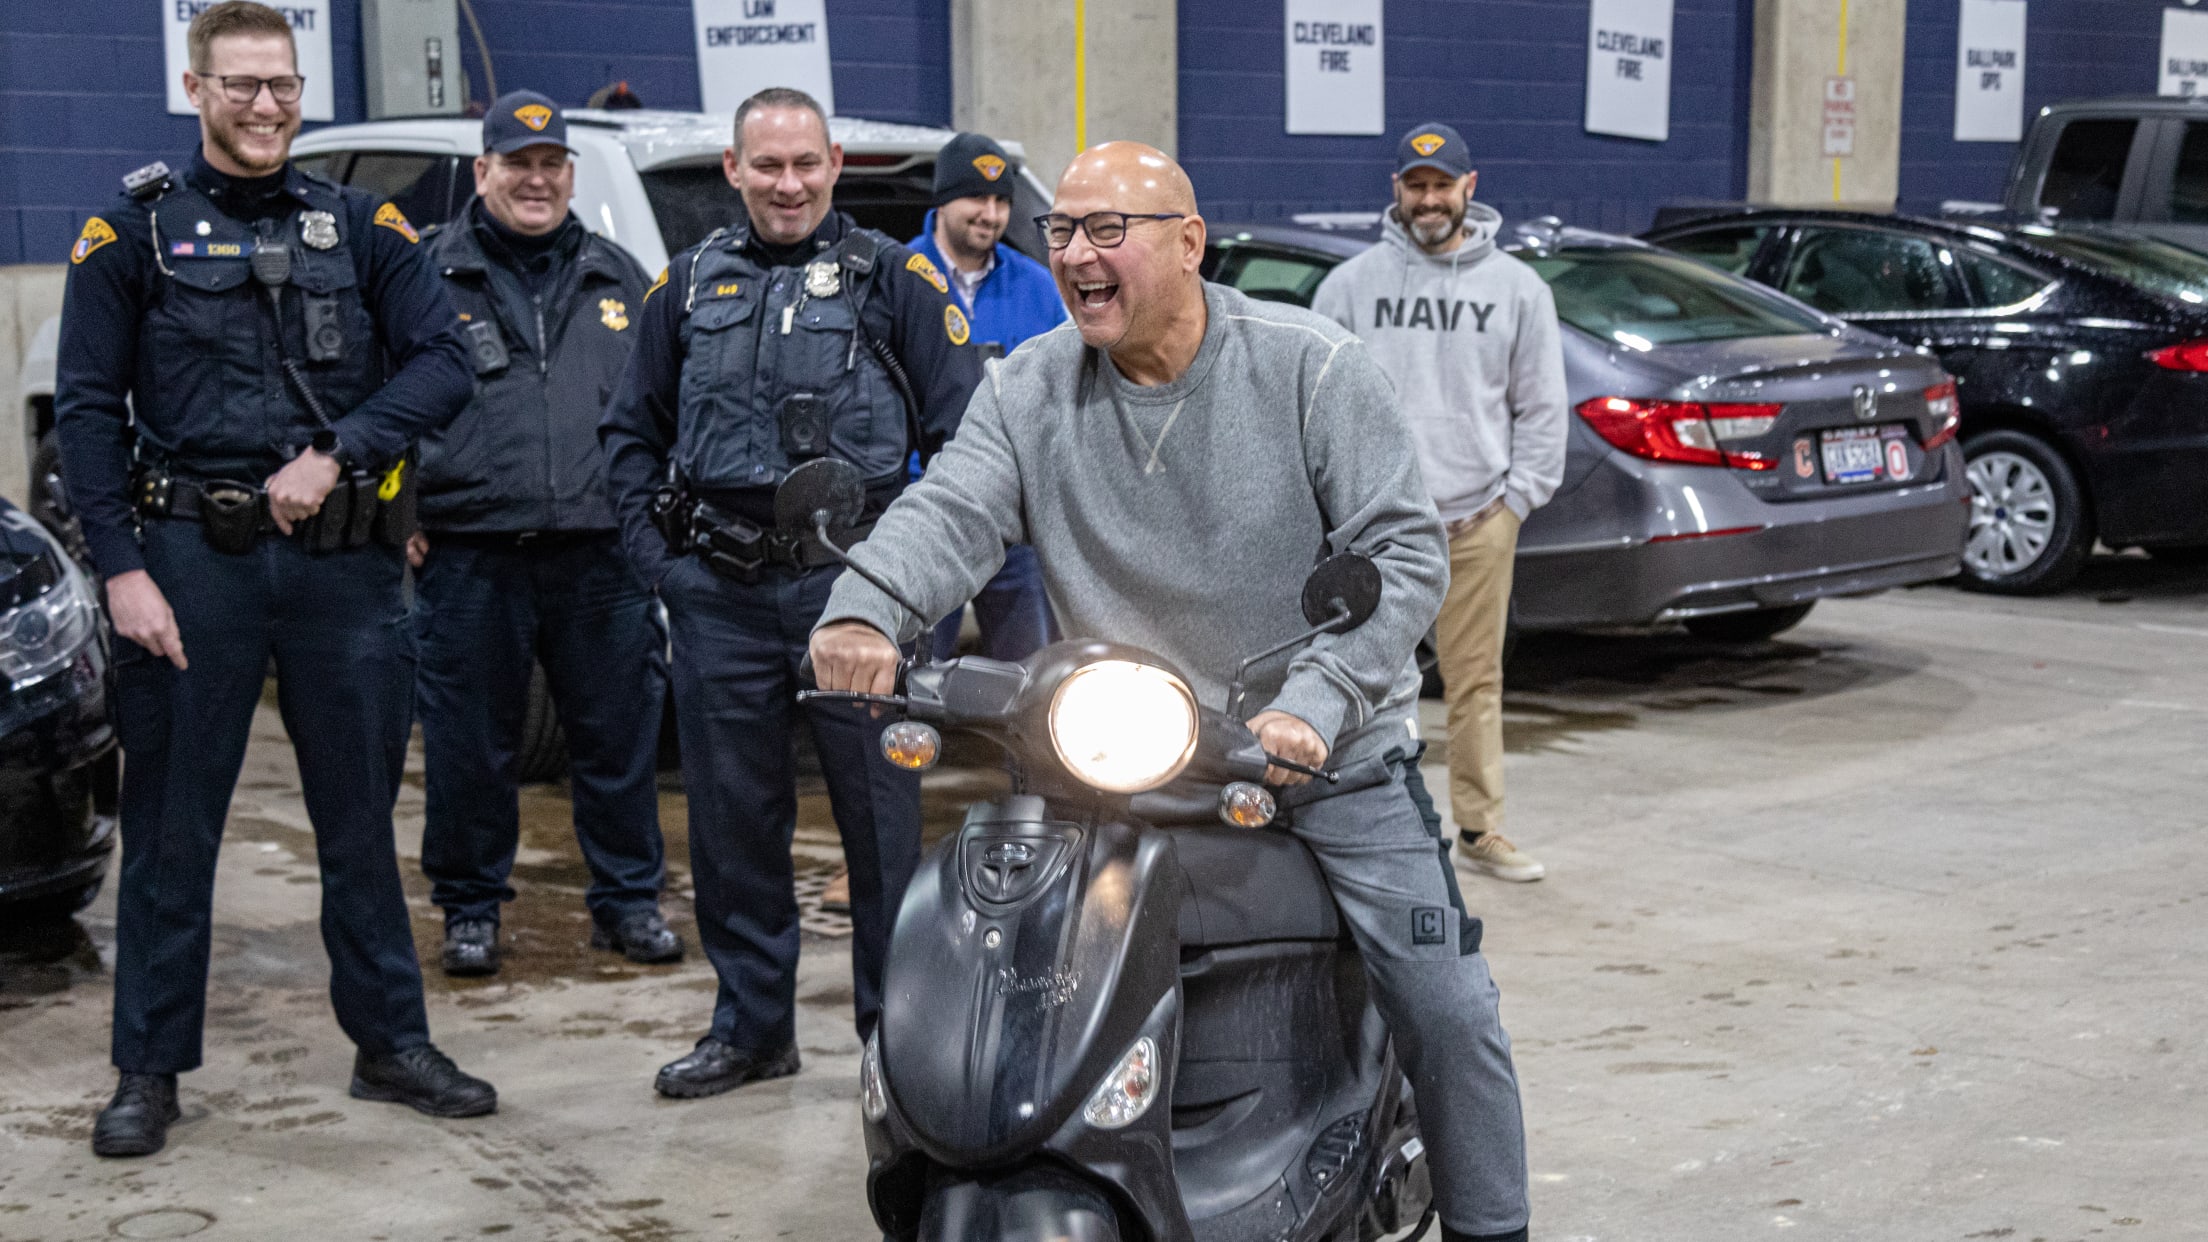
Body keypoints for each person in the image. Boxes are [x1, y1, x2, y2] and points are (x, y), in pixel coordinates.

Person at [809, 143, 1533, 1242]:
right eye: (1062, 232)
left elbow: (1402, 556)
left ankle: (1494, 1226)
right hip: (1116, 753)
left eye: (1111, 229)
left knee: (1443, 998)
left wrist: (1320, 698)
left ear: (1188, 244)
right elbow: (949, 509)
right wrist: (864, 609)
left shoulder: (1310, 368)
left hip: (1313, 752)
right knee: (1004, 965)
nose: (1078, 254)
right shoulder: (1031, 385)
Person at [54, 0, 493, 1159]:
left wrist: (341, 449)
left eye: (284, 85)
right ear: (195, 91)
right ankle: (148, 1069)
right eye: (242, 84)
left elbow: (448, 360)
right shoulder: (130, 234)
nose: (266, 105)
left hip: (340, 570)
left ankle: (390, 1044)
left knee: (357, 824)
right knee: (170, 831)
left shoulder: (361, 226)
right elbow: (90, 416)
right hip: (190, 563)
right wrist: (120, 575)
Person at [598, 86, 982, 1099]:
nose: (787, 183)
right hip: (718, 597)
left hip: (851, 598)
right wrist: (662, 569)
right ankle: (752, 1027)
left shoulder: (893, 281)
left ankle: (895, 1044)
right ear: (734, 171)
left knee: (882, 832)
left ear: (835, 161)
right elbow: (630, 436)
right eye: (766, 165)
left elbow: (967, 451)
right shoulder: (684, 287)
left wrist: (908, 598)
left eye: (805, 162)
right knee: (731, 827)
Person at [411, 91, 679, 977]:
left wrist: (649, 518)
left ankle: (629, 902)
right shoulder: (424, 275)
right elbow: (376, 403)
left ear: (568, 173)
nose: (536, 179)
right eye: (517, 164)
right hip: (468, 547)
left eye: (550, 164)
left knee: (618, 737)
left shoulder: (619, 273)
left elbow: (661, 411)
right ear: (483, 171)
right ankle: (471, 908)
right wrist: (397, 509)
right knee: (469, 744)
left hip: (600, 551)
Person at [810, 131, 1068, 917]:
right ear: (941, 202)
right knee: (901, 699)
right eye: (973, 199)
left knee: (1041, 691)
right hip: (925, 522)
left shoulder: (1037, 284)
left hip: (1017, 532)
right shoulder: (896, 274)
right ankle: (878, 860)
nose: (989, 213)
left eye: (999, 201)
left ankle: (1052, 837)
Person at [1313, 122, 1567, 884]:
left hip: (1478, 519)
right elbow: (1320, 405)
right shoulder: (1350, 286)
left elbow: (1543, 409)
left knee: (1475, 681)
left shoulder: (1518, 290)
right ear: (1396, 191)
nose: (1430, 199)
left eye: (1442, 185)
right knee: (1358, 679)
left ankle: (1480, 830)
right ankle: (1360, 830)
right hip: (1379, 529)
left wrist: (1517, 500)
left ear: (1470, 188)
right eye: (1416, 185)